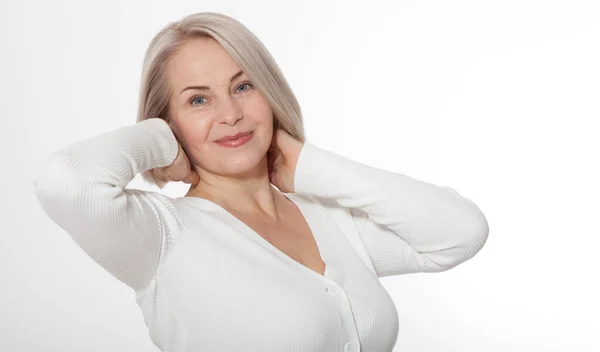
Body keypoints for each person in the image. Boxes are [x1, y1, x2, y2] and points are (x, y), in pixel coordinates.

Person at [32, 12, 489, 352]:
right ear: (169, 119)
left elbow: (458, 233)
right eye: (198, 100)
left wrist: (310, 165)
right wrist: (161, 142)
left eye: (244, 86)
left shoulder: (328, 219)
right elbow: (66, 181)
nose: (230, 114)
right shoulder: (158, 235)